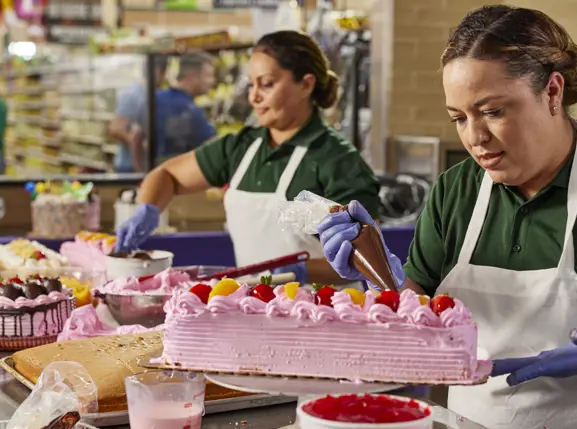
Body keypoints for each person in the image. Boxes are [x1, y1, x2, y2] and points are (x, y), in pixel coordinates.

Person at [319, 5, 577, 429]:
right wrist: (381, 281)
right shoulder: (456, 192)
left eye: (491, 111)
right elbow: (419, 319)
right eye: (459, 117)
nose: (474, 138)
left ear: (552, 91)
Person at [115, 30, 380, 286]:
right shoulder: (241, 148)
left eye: (266, 84)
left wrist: (301, 271)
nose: (254, 97)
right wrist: (147, 209)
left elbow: (367, 258)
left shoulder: (338, 161)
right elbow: (167, 175)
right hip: (253, 308)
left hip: (324, 315)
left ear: (306, 85)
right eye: (252, 84)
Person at [154, 51, 217, 164]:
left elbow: (136, 136)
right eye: (208, 76)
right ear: (193, 77)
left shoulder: (157, 98)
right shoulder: (190, 110)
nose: (212, 81)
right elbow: (215, 146)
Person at [108, 56, 168, 173]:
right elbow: (116, 129)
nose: (164, 78)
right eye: (163, 73)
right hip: (129, 167)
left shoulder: (154, 94)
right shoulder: (133, 95)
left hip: (145, 166)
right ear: (156, 71)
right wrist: (140, 145)